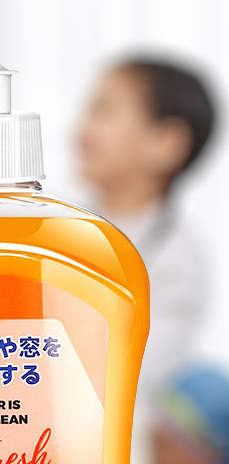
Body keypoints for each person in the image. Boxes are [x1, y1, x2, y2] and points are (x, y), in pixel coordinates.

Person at [75, 55, 217, 403]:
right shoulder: (63, 224)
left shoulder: (177, 261)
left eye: (103, 111)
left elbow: (138, 372)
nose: (81, 129)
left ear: (165, 144)